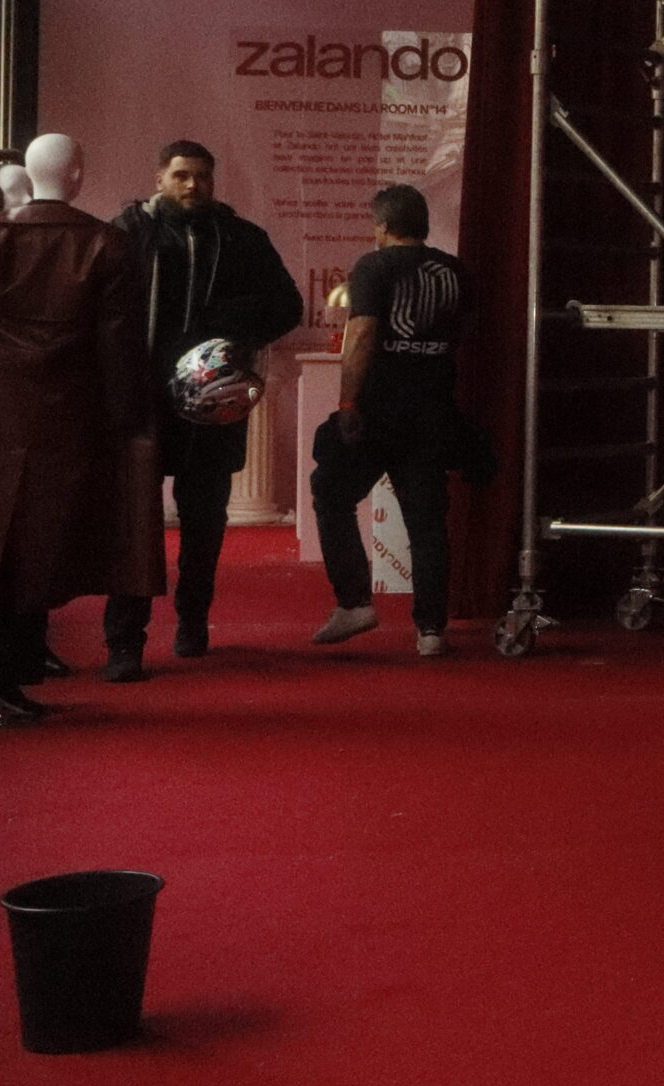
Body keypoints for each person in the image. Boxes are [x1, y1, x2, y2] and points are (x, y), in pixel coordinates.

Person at [0, 135, 163, 722]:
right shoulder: (105, 245)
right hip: (64, 415)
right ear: (78, 175)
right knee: (40, 546)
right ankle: (8, 678)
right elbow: (118, 345)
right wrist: (130, 419)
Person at [102, 139, 303, 681]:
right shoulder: (125, 235)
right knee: (135, 526)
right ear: (160, 178)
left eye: (202, 177)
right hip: (141, 402)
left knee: (205, 523)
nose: (193, 185)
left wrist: (231, 332)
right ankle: (125, 642)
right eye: (181, 175)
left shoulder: (242, 238)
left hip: (212, 408)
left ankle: (193, 622)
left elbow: (288, 306)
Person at [310, 184, 471, 656]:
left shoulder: (374, 266)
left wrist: (347, 403)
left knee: (331, 492)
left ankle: (354, 602)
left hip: (377, 411)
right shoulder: (455, 271)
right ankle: (431, 630)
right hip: (432, 410)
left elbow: (361, 335)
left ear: (381, 226)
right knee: (427, 520)